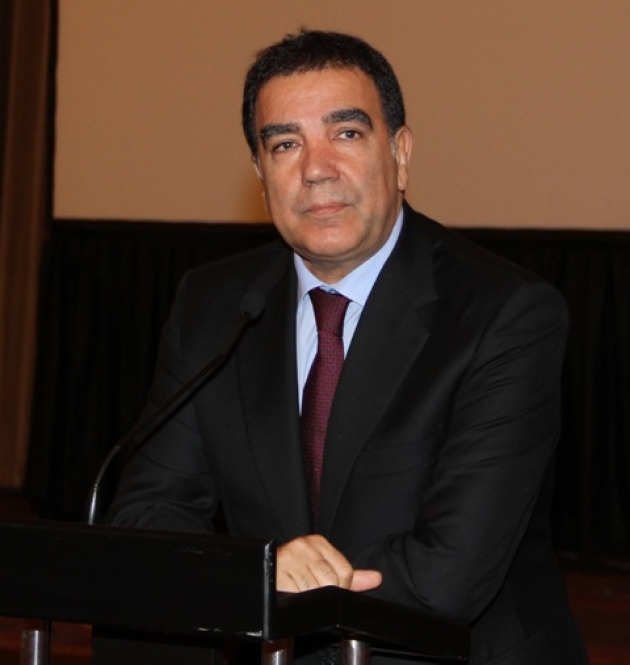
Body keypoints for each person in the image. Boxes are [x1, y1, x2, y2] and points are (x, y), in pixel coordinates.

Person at [107, 29, 589, 664]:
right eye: (285, 144)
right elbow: (146, 515)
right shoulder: (214, 307)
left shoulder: (504, 313)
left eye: (347, 133)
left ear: (400, 153)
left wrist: (263, 584)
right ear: (259, 173)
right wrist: (262, 570)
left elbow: (448, 573)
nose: (316, 168)